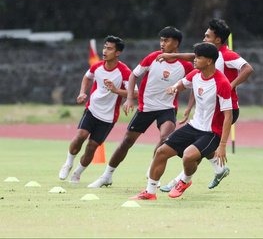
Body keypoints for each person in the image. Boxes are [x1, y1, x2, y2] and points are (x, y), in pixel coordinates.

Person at [87, 27, 194, 188]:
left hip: (167, 108)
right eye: (161, 40)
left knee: (166, 138)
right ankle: (106, 176)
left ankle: (152, 169)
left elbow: (194, 82)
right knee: (126, 142)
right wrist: (129, 98)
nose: (162, 43)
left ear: (176, 43)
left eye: (166, 40)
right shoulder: (152, 58)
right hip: (146, 108)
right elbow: (133, 75)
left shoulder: (186, 65)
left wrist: (189, 108)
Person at [157, 18, 254, 191]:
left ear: (217, 40)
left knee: (199, 145)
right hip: (210, 108)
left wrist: (230, 87)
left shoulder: (227, 55)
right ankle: (219, 169)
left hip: (224, 109)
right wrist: (172, 56)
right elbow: (194, 57)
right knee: (202, 142)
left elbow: (248, 69)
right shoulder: (207, 57)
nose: (204, 39)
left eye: (207, 36)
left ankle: (179, 181)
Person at [129, 42, 233, 200]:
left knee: (188, 156)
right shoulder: (195, 75)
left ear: (209, 61)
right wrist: (174, 87)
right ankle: (150, 192)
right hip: (194, 126)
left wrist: (223, 145)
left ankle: (185, 180)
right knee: (161, 152)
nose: (194, 60)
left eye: (198, 57)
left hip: (212, 132)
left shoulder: (222, 83)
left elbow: (228, 116)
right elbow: (183, 84)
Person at [58, 36, 135, 183]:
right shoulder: (97, 66)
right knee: (81, 135)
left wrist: (116, 90)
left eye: (109, 48)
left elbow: (135, 93)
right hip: (92, 109)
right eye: (105, 47)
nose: (105, 51)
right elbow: (87, 77)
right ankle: (68, 163)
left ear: (117, 52)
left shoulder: (124, 71)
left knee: (92, 146)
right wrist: (82, 92)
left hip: (108, 117)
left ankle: (77, 173)